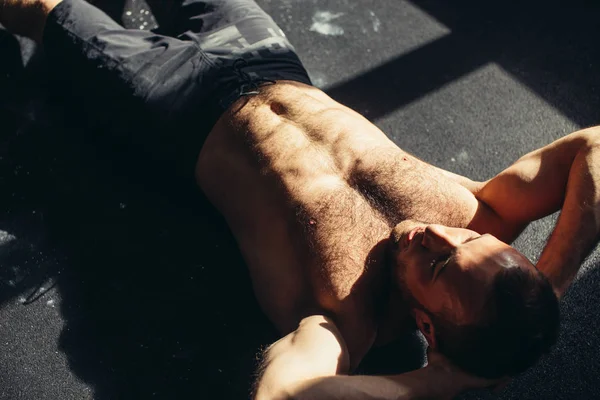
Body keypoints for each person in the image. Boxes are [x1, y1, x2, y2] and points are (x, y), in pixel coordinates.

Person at [2, 0, 597, 398]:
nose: (436, 231)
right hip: (265, 58)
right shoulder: (483, 213)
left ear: (427, 328)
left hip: (172, 106)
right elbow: (593, 146)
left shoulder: (343, 319)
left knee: (40, 10)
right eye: (468, 241)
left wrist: (443, 381)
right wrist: (555, 278)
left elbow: (290, 395)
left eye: (438, 262)